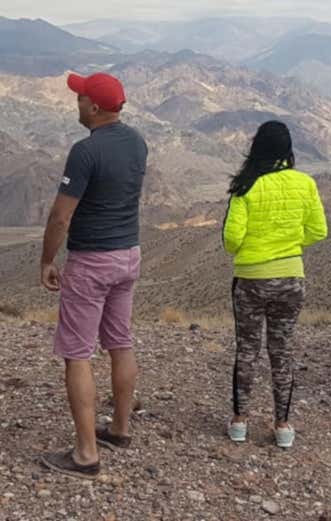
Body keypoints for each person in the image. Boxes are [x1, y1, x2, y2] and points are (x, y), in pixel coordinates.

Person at [39, 72, 147, 479]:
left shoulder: (84, 152)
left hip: (91, 261)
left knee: (78, 353)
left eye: (81, 97)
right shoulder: (137, 142)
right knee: (120, 341)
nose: (77, 101)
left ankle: (85, 454)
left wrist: (47, 261)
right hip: (128, 254)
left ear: (96, 107)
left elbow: (60, 215)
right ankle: (119, 429)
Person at [223, 120, 327, 448]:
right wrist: (288, 243)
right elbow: (318, 230)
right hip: (291, 278)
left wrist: (256, 248)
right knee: (281, 351)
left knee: (248, 350)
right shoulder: (306, 183)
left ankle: (240, 422)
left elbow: (231, 239)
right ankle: (283, 426)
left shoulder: (246, 187)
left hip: (251, 279)